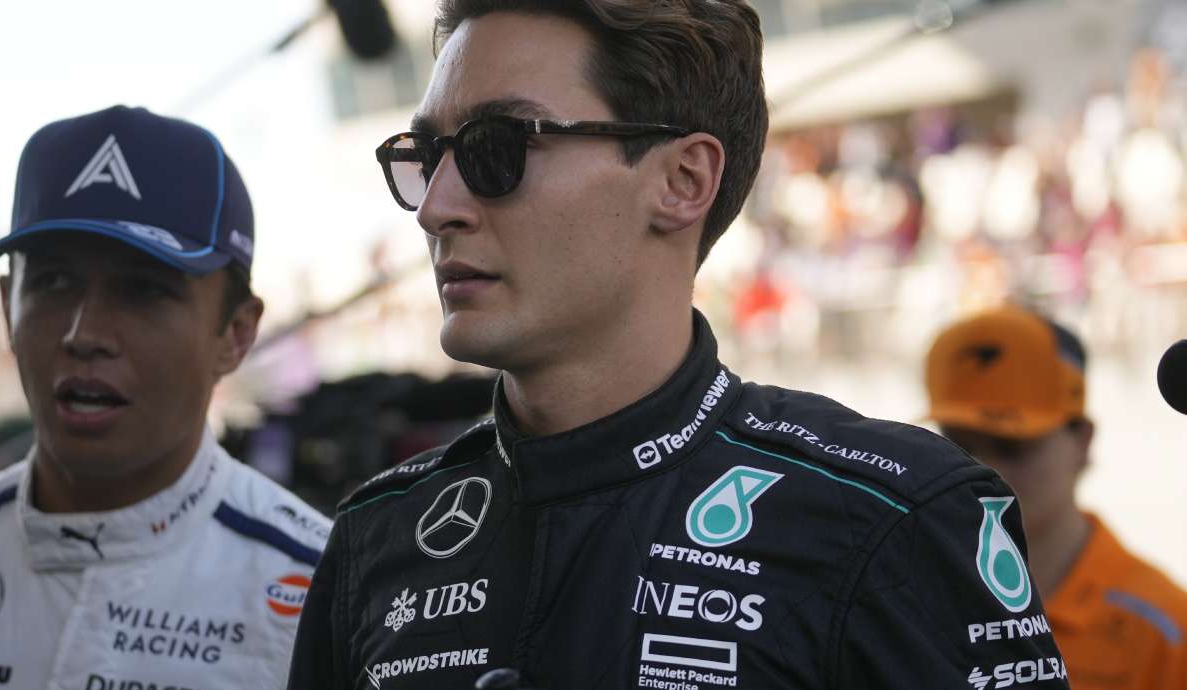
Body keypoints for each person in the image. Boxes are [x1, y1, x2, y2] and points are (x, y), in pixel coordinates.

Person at [288, 2, 1068, 688]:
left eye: (497, 148)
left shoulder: (894, 516)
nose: (436, 208)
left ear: (684, 180)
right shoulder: (376, 534)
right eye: (426, 157)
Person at [0, 105, 331, 689]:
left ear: (236, 335)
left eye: (142, 291)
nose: (84, 334)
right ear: (7, 308)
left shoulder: (324, 589)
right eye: (54, 282)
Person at [926, 304, 1187, 689]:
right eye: (958, 446)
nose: (982, 471)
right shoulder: (903, 601)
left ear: (1082, 442)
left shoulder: (1164, 629)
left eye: (1012, 445)